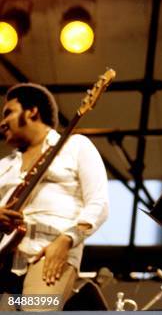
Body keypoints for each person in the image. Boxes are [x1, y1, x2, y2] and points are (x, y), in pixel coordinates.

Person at [0, 83, 109, 310]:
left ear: (32, 111)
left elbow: (99, 204)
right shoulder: (4, 166)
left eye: (8, 112)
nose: (2, 122)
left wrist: (67, 239)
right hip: (5, 263)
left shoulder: (76, 146)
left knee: (37, 310)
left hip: (49, 256)